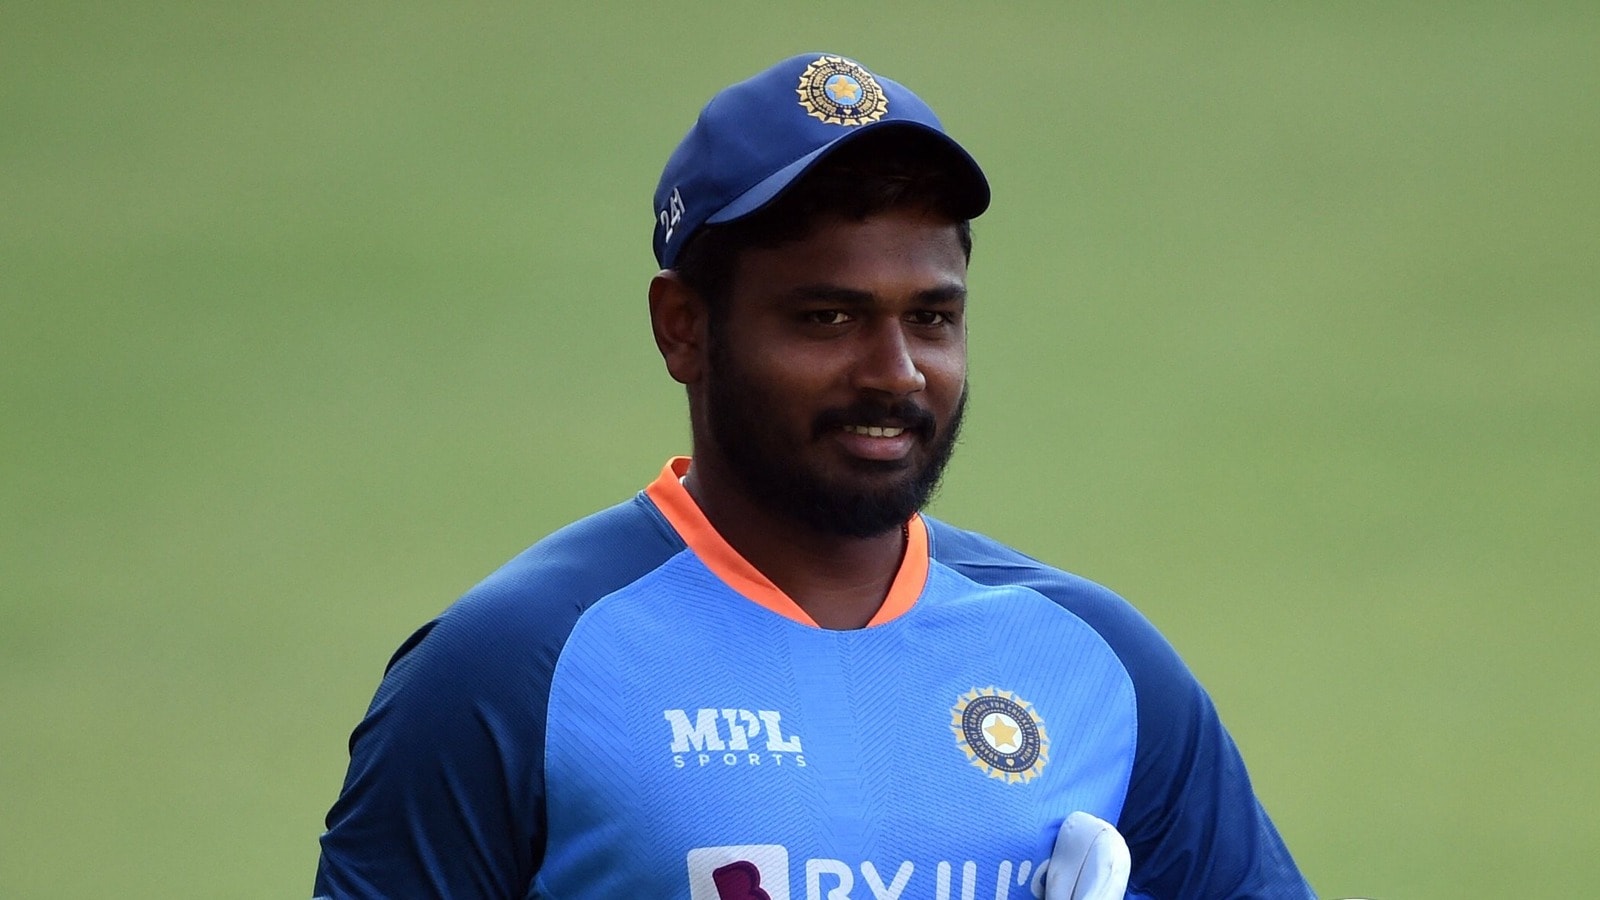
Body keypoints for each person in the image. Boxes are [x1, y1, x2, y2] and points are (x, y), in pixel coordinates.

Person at [314, 53, 1315, 899]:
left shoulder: (1100, 667)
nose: (896, 372)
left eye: (931, 318)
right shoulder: (509, 672)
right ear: (683, 328)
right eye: (827, 318)